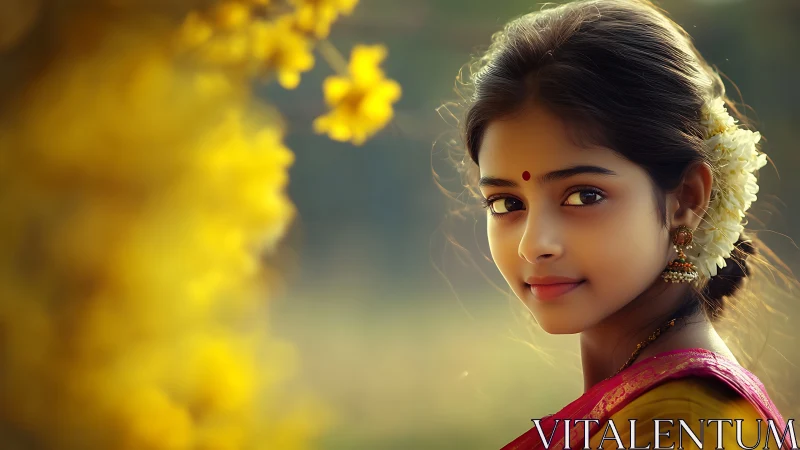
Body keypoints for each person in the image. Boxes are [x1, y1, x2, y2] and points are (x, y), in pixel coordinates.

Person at [450, 0, 796, 448]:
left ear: (686, 199)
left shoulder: (684, 422)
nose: (533, 245)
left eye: (583, 196)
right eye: (505, 203)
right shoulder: (650, 408)